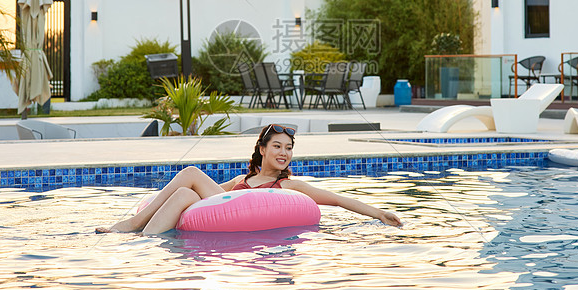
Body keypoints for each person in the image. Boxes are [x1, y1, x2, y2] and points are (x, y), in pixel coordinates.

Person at [96, 124, 402, 235]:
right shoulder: (243, 178)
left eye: (289, 149)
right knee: (184, 196)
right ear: (262, 149)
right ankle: (140, 236)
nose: (284, 154)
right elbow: (213, 200)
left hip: (242, 228)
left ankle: (133, 229)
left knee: (189, 177)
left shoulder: (288, 186)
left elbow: (336, 199)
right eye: (277, 147)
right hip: (211, 216)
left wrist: (379, 213)